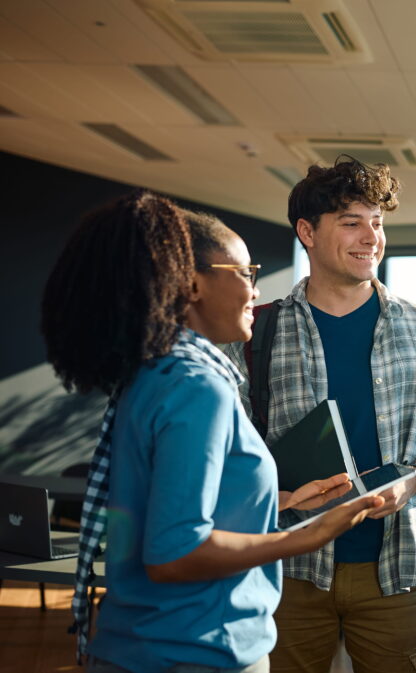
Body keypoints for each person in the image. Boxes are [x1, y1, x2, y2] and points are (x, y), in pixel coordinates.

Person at [40, 193, 382, 673]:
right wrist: (309, 537)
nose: (256, 291)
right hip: (195, 651)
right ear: (193, 284)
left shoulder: (154, 374)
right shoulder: (199, 387)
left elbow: (164, 509)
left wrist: (279, 503)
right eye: (246, 274)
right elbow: (175, 555)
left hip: (140, 644)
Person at [221, 156, 416, 673]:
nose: (371, 237)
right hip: (287, 565)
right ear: (307, 232)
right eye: (351, 222)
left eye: (378, 223)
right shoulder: (257, 334)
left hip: (397, 569)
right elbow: (227, 448)